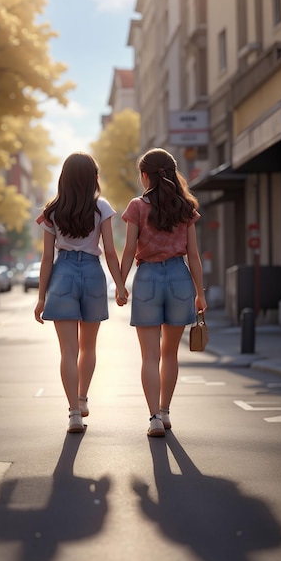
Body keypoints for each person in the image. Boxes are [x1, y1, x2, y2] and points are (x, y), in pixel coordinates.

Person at [34, 152, 128, 433]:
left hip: (62, 275)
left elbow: (46, 259)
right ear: (93, 179)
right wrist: (120, 284)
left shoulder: (52, 210)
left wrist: (41, 297)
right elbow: (110, 252)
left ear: (64, 178)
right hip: (92, 275)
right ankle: (83, 398)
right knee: (88, 347)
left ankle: (74, 412)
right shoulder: (102, 208)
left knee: (68, 351)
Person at [119, 148, 207, 437]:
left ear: (145, 175)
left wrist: (120, 283)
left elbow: (130, 249)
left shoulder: (137, 207)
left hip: (147, 280)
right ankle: (166, 411)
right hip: (180, 279)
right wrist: (200, 293)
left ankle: (154, 417)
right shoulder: (186, 208)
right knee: (170, 354)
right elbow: (193, 255)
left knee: (149, 356)